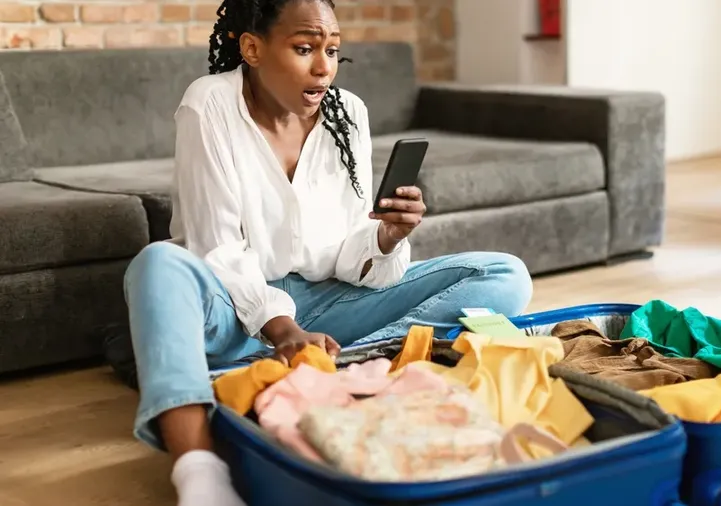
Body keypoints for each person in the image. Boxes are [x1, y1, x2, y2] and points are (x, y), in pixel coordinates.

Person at [121, 0, 533, 504]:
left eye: (333, 50)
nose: (324, 67)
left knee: (503, 275)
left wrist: (386, 238)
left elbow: (347, 251)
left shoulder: (348, 114)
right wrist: (284, 329)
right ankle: (199, 472)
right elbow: (217, 248)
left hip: (329, 308)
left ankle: (332, 369)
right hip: (234, 307)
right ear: (251, 48)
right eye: (304, 48)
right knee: (157, 264)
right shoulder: (208, 104)